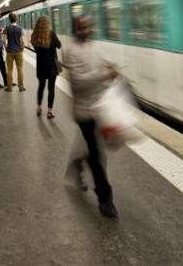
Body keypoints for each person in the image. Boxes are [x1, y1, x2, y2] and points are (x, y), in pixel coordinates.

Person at [62, 14, 118, 219]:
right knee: (97, 153)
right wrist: (104, 75)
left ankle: (77, 164)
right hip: (83, 111)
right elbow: (78, 82)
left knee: (99, 149)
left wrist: (112, 70)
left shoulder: (95, 46)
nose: (86, 30)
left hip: (100, 107)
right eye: (82, 27)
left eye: (88, 27)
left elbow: (103, 65)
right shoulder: (70, 51)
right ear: (76, 29)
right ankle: (105, 198)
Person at [30, 15, 62, 118]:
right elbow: (59, 45)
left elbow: (35, 48)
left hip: (40, 66)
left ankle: (39, 107)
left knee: (41, 87)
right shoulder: (51, 33)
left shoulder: (35, 35)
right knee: (51, 88)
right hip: (51, 66)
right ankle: (49, 111)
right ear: (47, 24)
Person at [3, 12, 26, 92]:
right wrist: (22, 48)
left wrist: (6, 48)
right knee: (20, 69)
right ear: (16, 19)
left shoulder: (7, 28)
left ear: (9, 19)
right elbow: (23, 42)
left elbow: (4, 40)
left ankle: (9, 87)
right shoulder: (20, 29)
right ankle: (21, 87)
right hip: (19, 51)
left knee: (9, 70)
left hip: (10, 51)